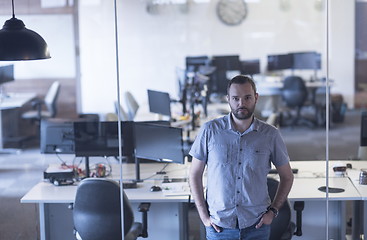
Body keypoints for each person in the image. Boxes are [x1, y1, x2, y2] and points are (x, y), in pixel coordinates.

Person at [189, 75, 294, 240]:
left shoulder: (270, 134)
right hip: (219, 227)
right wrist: (203, 216)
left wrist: (273, 211)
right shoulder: (209, 131)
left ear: (256, 98)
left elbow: (287, 176)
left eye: (247, 98)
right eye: (236, 98)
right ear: (228, 99)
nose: (241, 103)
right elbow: (194, 174)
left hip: (256, 225)